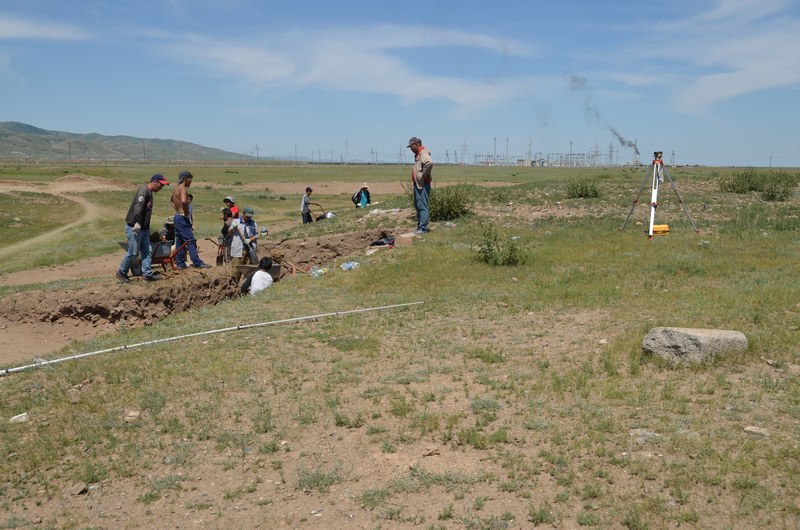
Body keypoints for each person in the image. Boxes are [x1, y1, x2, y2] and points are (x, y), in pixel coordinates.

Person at [116, 174, 169, 283]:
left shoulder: (149, 192)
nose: (161, 188)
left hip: (144, 229)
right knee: (133, 253)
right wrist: (138, 223)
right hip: (135, 227)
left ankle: (147, 274)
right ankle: (121, 272)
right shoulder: (143, 191)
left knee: (147, 251)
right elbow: (138, 207)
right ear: (155, 182)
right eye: (161, 185)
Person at [170, 170, 210, 269]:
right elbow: (184, 201)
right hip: (183, 217)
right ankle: (197, 262)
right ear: (185, 179)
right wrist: (186, 212)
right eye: (190, 180)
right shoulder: (183, 189)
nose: (190, 182)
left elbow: (171, 200)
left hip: (177, 217)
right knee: (191, 240)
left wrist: (177, 209)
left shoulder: (176, 188)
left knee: (180, 241)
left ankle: (180, 263)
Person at [407, 136, 433, 234]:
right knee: (418, 205)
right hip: (418, 184)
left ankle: (423, 228)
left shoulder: (423, 153)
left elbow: (429, 163)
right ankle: (419, 227)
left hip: (423, 184)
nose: (410, 149)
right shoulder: (419, 154)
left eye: (411, 146)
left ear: (417, 144)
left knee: (422, 206)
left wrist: (423, 174)